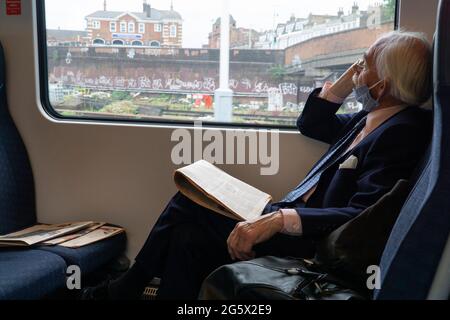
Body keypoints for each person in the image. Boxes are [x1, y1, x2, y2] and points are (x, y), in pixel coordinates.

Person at [82, 31, 433, 300]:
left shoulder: (401, 132)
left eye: (364, 64)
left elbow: (360, 213)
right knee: (187, 234)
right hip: (289, 213)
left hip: (310, 238)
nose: (356, 70)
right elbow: (311, 121)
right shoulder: (370, 117)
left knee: (187, 202)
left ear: (383, 84)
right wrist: (350, 78)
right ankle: (133, 290)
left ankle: (126, 289)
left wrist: (279, 219)